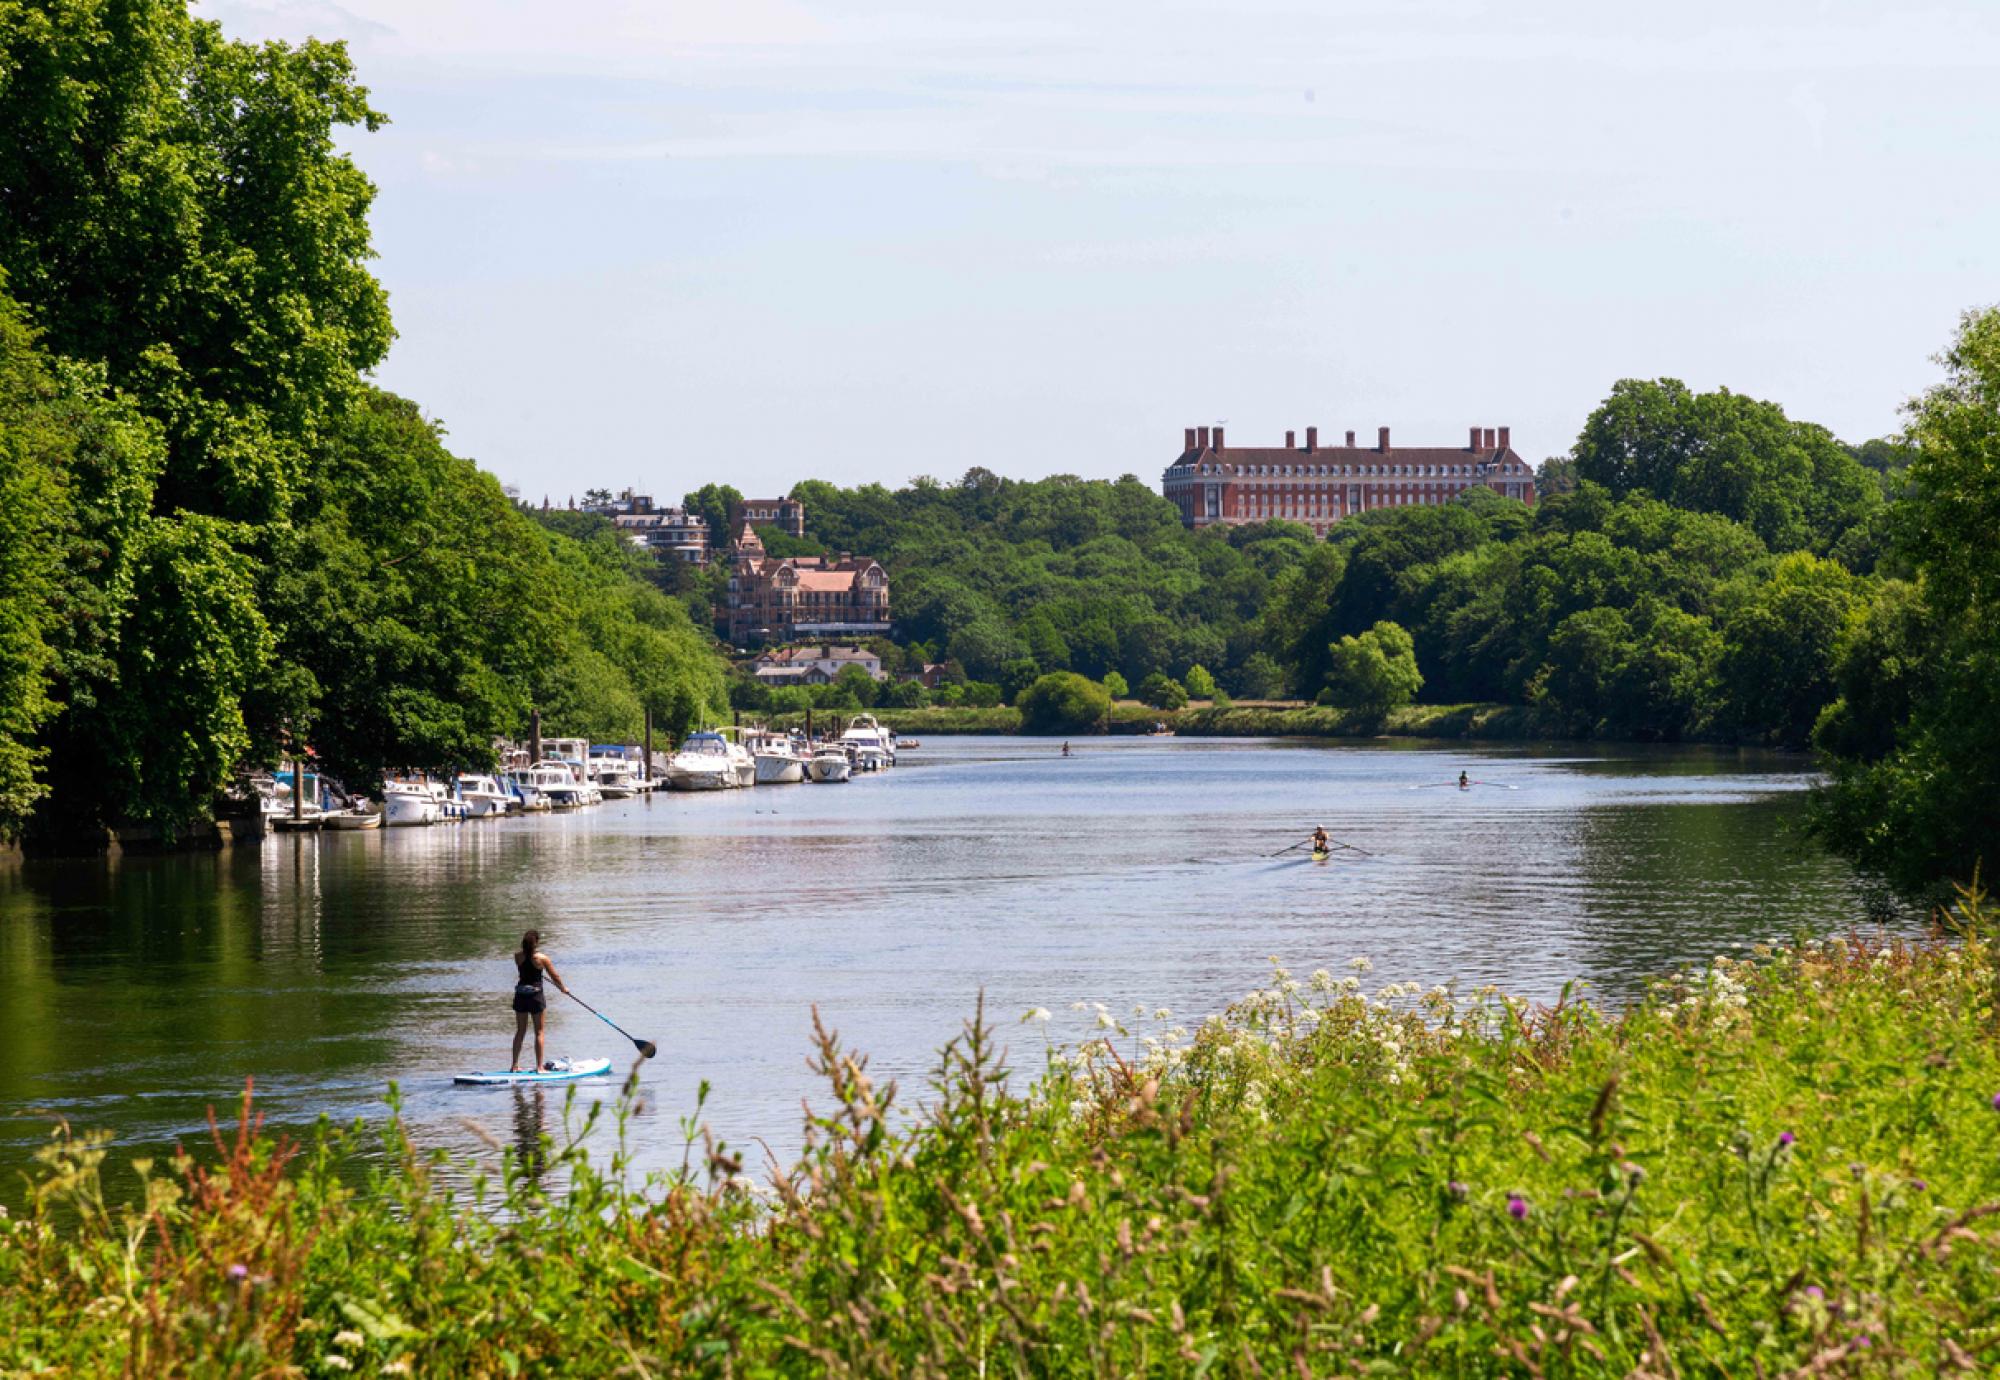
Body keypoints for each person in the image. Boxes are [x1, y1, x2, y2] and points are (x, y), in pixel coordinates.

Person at [510, 929, 572, 1073]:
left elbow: (524, 971)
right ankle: (539, 1067)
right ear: (536, 943)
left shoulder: (517, 956)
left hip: (520, 995)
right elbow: (555, 976)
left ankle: (514, 1066)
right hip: (535, 997)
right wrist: (563, 989)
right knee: (539, 1032)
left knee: (520, 1031)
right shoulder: (542, 958)